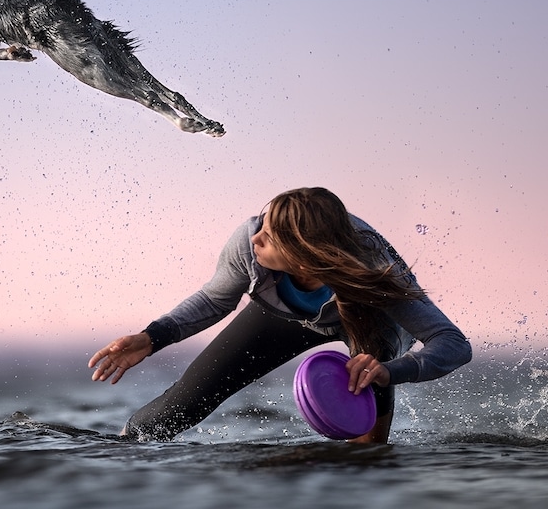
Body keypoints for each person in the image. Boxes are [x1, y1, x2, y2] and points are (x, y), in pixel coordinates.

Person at [88, 187, 472, 443]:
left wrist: (391, 371)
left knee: (365, 445)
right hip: (281, 317)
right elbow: (215, 299)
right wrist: (152, 337)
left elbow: (453, 344)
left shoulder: (372, 269)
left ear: (305, 251)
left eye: (271, 235)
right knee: (179, 407)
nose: (256, 237)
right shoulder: (249, 240)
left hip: (367, 323)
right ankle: (119, 454)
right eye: (262, 224)